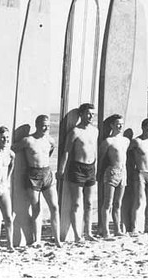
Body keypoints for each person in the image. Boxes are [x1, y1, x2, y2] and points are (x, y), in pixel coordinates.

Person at [12, 115, 61, 247]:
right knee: (36, 208)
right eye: (44, 125)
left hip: (47, 174)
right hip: (32, 175)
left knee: (55, 207)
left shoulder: (50, 140)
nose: (46, 128)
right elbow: (12, 149)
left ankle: (57, 239)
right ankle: (37, 240)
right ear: (37, 125)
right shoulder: (28, 140)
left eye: (48, 126)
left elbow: (50, 152)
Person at [57, 103, 98, 242]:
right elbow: (66, 152)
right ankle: (77, 235)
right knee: (76, 203)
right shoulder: (75, 131)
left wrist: (95, 167)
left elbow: (94, 151)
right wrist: (61, 170)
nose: (91, 116)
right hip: (77, 168)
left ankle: (88, 232)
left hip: (91, 168)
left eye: (93, 114)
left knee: (89, 203)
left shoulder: (95, 131)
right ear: (81, 114)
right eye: (88, 113)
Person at [97, 114, 130, 238]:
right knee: (107, 203)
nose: (120, 126)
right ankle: (105, 231)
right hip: (111, 171)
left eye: (121, 123)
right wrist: (99, 174)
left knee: (118, 203)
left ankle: (117, 229)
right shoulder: (107, 141)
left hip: (123, 172)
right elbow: (101, 159)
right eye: (117, 124)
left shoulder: (126, 141)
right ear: (112, 125)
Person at [129, 118, 148, 234]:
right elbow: (127, 153)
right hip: (140, 172)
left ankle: (147, 225)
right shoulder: (137, 141)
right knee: (139, 201)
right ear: (143, 128)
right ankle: (134, 227)